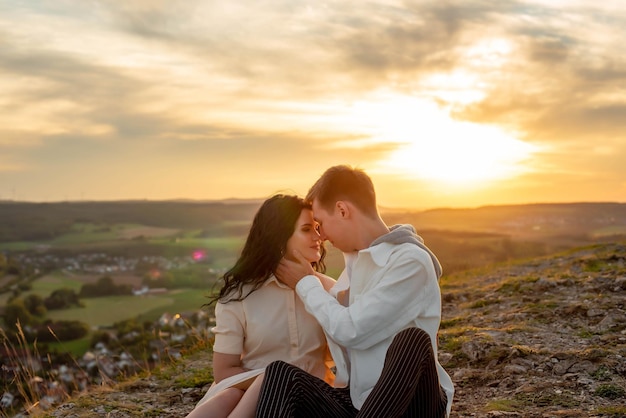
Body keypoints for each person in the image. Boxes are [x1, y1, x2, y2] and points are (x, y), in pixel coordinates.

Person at [255, 165, 454, 418]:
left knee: (412, 341)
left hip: (414, 406)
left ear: (342, 210)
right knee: (280, 375)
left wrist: (306, 283)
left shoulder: (410, 261)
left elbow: (351, 330)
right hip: (362, 405)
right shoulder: (355, 266)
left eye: (321, 223)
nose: (321, 235)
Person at [185, 194, 336, 418]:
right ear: (279, 237)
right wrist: (271, 380)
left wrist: (282, 379)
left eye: (317, 227)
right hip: (246, 396)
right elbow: (224, 371)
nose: (318, 237)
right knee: (229, 395)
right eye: (306, 229)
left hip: (310, 400)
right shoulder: (240, 295)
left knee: (272, 377)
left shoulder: (329, 291)